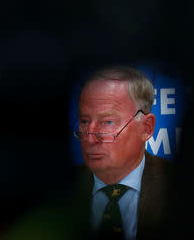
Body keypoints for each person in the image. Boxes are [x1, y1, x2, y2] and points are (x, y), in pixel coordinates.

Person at [74, 66, 175, 240]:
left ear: (146, 127)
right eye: (84, 121)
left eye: (107, 122)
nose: (90, 139)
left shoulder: (183, 185)